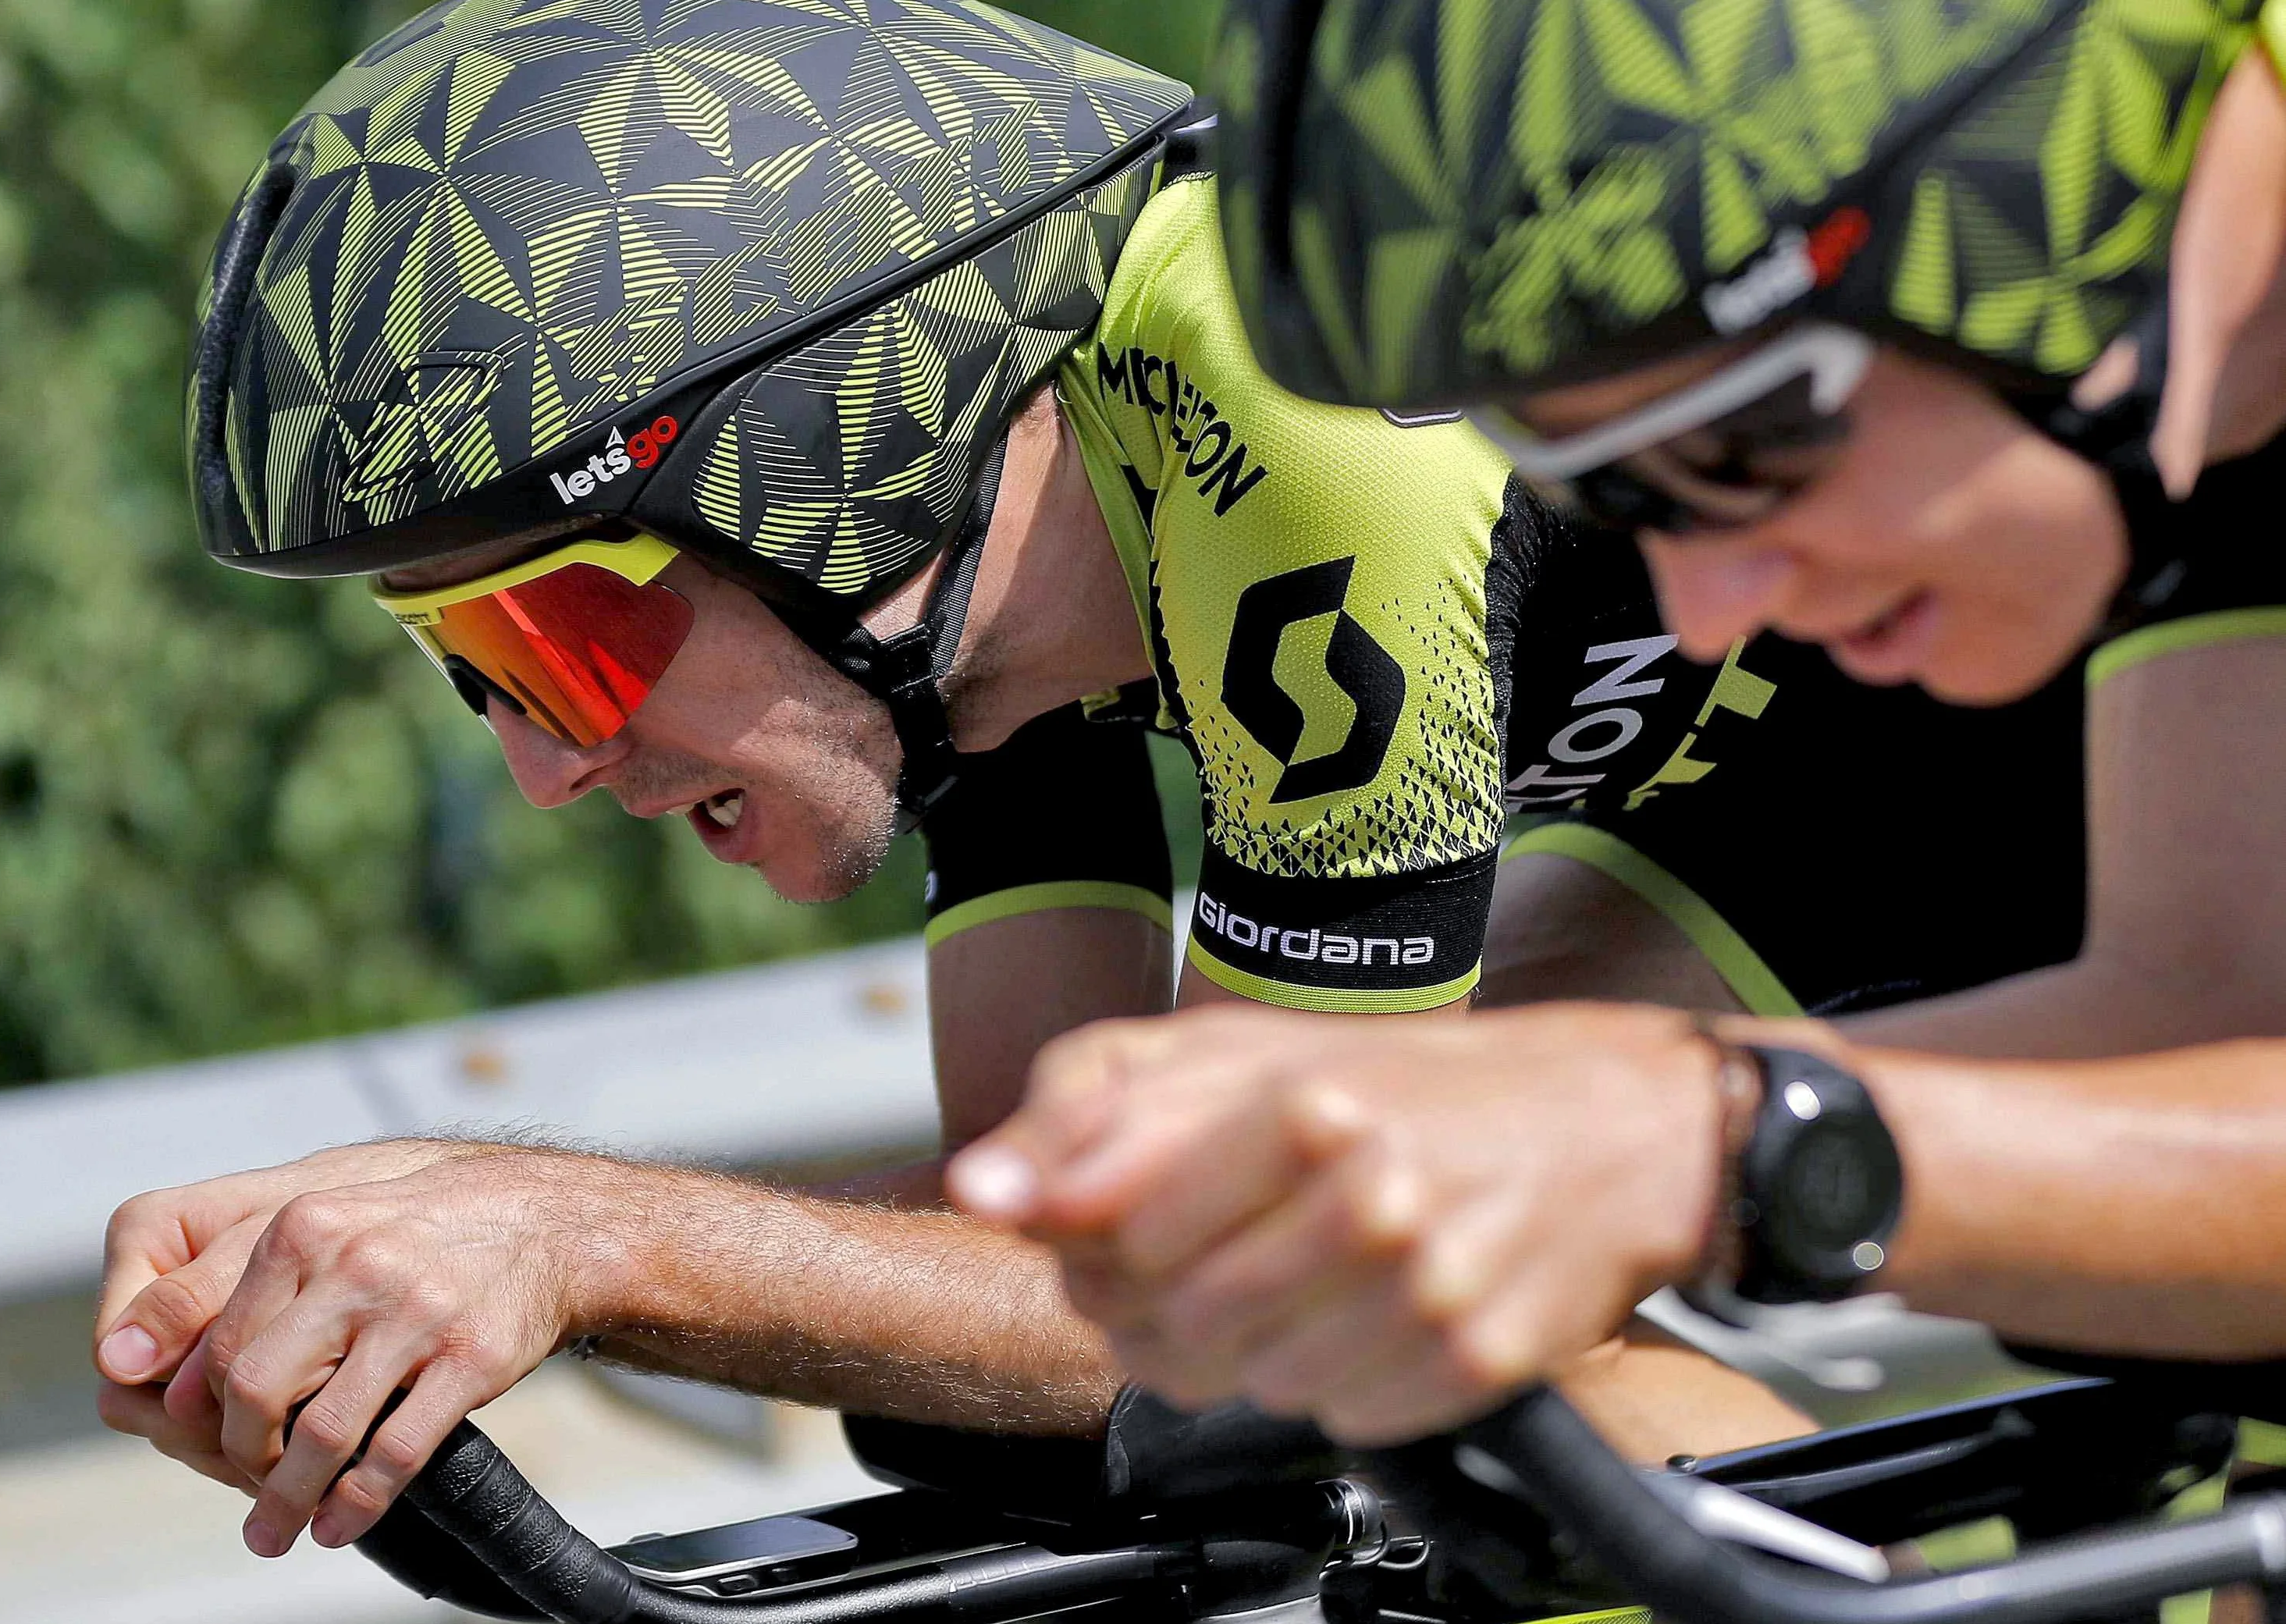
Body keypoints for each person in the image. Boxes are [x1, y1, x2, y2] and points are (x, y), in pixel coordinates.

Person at [100, 0, 2122, 1563]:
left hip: (2111, 754)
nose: (546, 769)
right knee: (1294, 1393)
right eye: (469, 673)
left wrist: (568, 1238)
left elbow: (1196, 1302)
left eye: (555, 638)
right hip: (1827, 816)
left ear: (813, 452)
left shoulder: (1284, 417)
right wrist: (460, 1248)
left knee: (1345, 1316)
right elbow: (1042, 1283)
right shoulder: (958, 627)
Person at [953, 0, 2286, 1444]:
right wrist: (1582, 1108)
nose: (1706, 610)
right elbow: (2212, 1026)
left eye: (1739, 446)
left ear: (2038, 178)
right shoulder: (2194, 351)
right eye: (1617, 495)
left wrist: (1696, 1134)